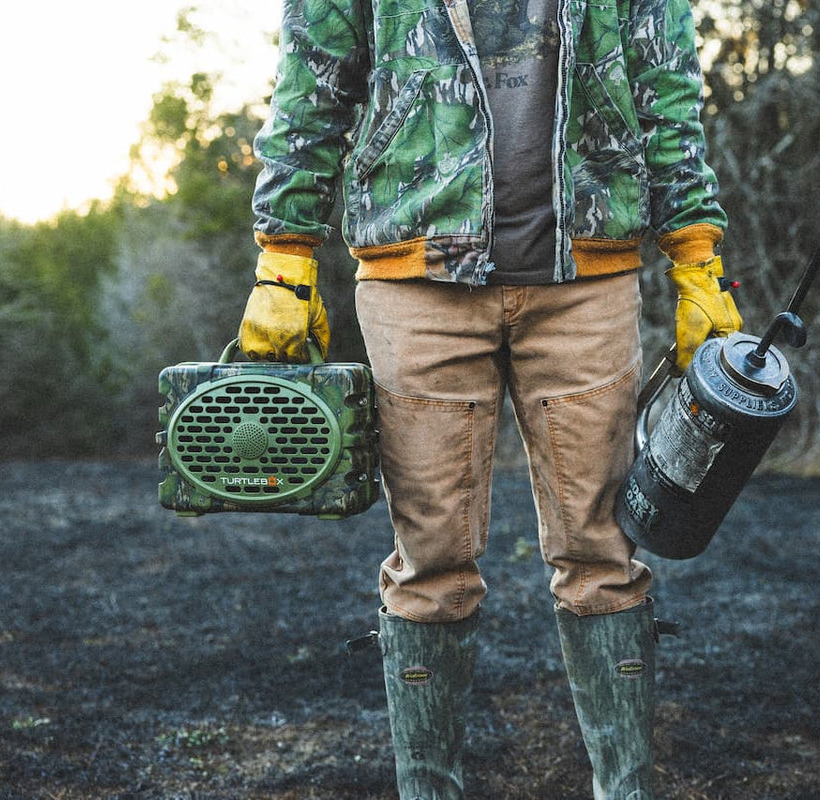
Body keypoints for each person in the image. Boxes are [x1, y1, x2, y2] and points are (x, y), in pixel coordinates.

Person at [238, 0, 742, 795]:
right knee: (430, 561)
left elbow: (666, 84)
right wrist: (284, 256)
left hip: (588, 274)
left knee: (603, 554)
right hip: (418, 276)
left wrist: (696, 257)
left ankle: (627, 788)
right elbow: (315, 79)